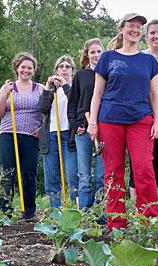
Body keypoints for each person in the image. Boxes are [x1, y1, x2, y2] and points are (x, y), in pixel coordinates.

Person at [87, 13, 158, 231]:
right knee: (113, 172)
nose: (135, 29)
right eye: (130, 25)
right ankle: (116, 223)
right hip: (110, 120)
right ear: (121, 29)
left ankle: (147, 221)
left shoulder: (149, 61)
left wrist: (157, 122)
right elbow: (97, 93)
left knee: (144, 169)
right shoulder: (108, 58)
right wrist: (93, 122)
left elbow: (155, 95)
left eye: (139, 26)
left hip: (141, 120)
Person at [0, 52, 43, 219]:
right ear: (17, 68)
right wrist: (3, 95)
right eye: (23, 67)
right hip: (9, 134)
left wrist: (42, 128)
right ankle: (6, 211)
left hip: (31, 135)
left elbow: (47, 112)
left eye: (29, 67)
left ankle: (29, 211)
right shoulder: (7, 87)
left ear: (33, 70)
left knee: (29, 174)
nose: (26, 70)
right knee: (7, 173)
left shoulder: (40, 88)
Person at [129, 19, 158, 202]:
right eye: (152, 33)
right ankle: (135, 207)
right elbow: (142, 83)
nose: (156, 36)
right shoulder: (139, 57)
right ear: (146, 37)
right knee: (138, 163)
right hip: (141, 117)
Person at [68, 39, 105, 210]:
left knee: (100, 175)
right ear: (87, 55)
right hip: (83, 130)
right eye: (92, 52)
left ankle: (100, 214)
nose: (96, 55)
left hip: (104, 129)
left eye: (99, 51)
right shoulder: (81, 76)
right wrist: (76, 125)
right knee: (84, 176)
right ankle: (84, 213)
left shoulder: (109, 73)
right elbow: (73, 104)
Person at [38, 55, 79, 208]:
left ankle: (76, 209)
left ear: (72, 71)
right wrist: (48, 88)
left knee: (72, 175)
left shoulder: (75, 88)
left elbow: (77, 103)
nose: (64, 69)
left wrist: (66, 85)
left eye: (67, 67)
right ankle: (56, 210)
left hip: (69, 135)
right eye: (60, 67)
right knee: (52, 177)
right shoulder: (51, 90)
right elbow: (42, 109)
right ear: (56, 71)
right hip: (51, 135)